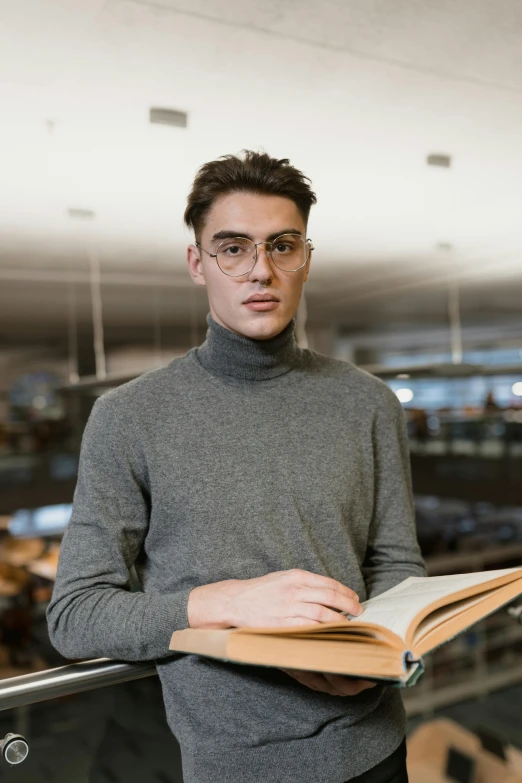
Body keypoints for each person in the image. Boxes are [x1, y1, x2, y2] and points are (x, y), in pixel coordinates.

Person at [47, 150, 426, 783]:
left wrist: (374, 652)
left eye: (283, 246)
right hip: (236, 768)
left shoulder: (369, 402)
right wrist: (223, 603)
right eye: (233, 248)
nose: (261, 271)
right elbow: (76, 615)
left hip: (378, 750)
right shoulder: (128, 417)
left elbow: (397, 567)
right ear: (198, 263)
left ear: (306, 259)